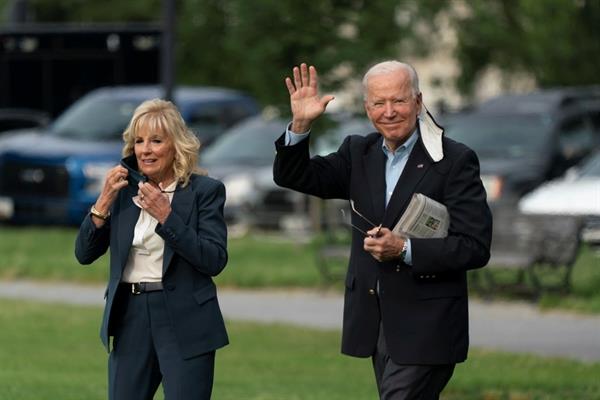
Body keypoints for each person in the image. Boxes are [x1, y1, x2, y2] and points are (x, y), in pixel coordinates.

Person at [273, 62, 492, 399]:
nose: (389, 112)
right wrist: (300, 124)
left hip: (428, 323)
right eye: (378, 103)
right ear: (366, 108)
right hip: (376, 321)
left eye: (399, 101)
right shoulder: (358, 153)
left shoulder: (454, 160)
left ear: (418, 102)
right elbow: (294, 176)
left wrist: (403, 248)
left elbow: (474, 246)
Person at [75, 98, 229, 400]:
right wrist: (103, 202)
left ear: (176, 145)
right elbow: (84, 254)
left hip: (185, 319)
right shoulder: (121, 192)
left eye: (156, 141)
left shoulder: (204, 192)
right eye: (139, 141)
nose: (145, 150)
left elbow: (213, 260)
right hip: (130, 315)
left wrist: (166, 216)